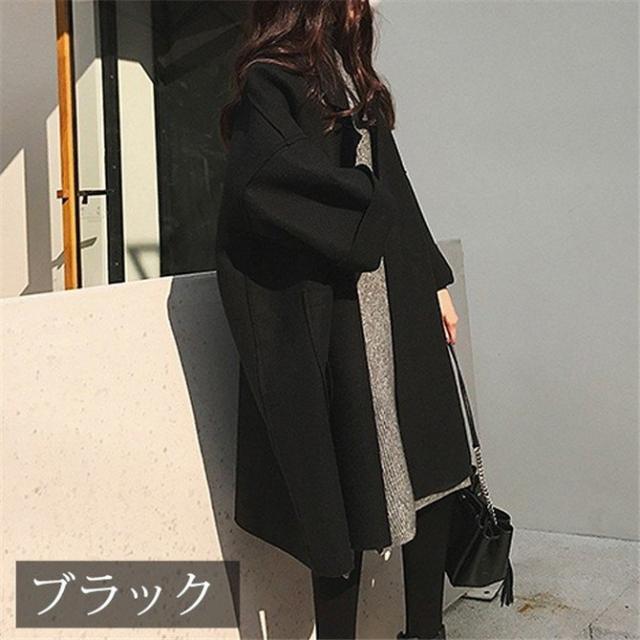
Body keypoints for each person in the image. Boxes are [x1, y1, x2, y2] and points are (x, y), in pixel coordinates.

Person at [216, 2, 473, 638]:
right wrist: (361, 207)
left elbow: (397, 188)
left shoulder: (354, 78)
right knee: (347, 485)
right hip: (340, 314)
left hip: (399, 299)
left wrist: (434, 280)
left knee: (434, 469)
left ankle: (427, 631)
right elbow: (262, 185)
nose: (365, 6)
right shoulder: (270, 81)